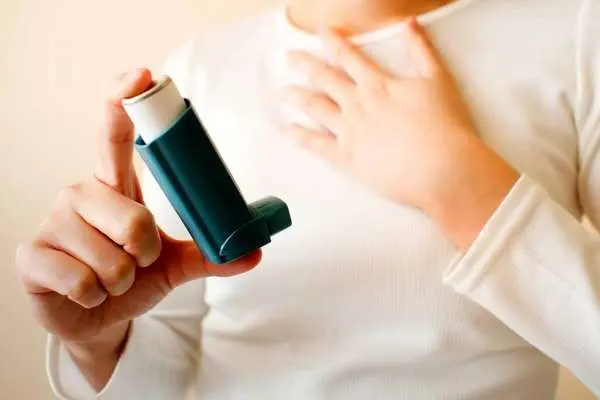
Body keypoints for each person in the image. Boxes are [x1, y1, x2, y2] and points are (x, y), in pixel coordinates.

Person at [15, 0, 600, 398]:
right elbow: (164, 376)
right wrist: (98, 344)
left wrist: (462, 186)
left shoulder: (576, 36)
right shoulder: (202, 69)